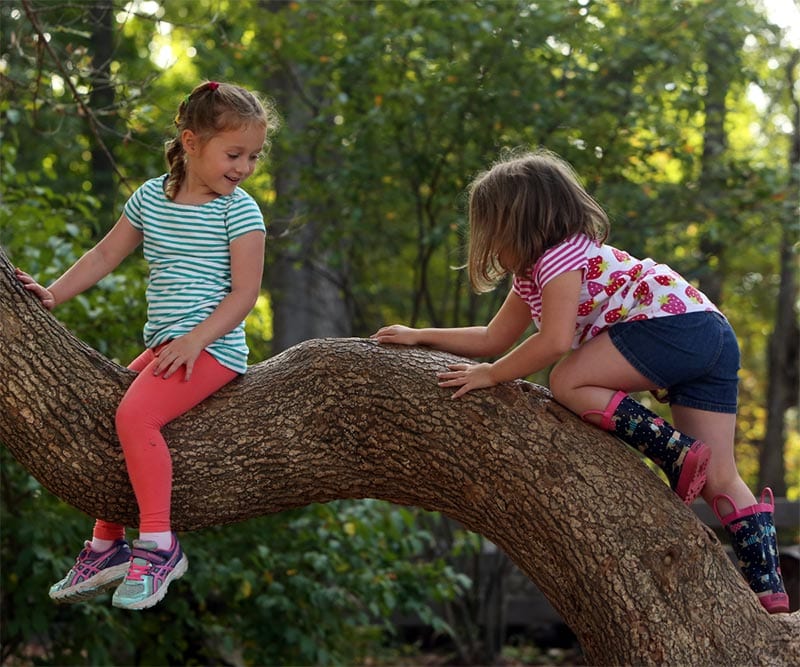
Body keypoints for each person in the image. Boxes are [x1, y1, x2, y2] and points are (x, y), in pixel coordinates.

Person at [372, 148, 789, 614]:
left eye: (490, 229)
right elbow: (494, 336)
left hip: (673, 328)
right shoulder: (539, 271)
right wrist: (419, 336)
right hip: (708, 331)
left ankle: (675, 451)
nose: (488, 242)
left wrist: (492, 376)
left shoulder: (557, 260)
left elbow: (551, 343)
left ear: (517, 222)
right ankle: (768, 590)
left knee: (567, 378)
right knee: (721, 476)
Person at [15, 81, 279, 611]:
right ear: (190, 142)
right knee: (114, 411)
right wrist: (52, 294)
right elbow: (104, 255)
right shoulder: (150, 200)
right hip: (169, 346)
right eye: (234, 154)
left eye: (253, 156)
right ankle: (107, 542)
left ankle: (159, 545)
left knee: (135, 418)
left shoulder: (240, 211)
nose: (245, 167)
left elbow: (245, 294)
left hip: (214, 348)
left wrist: (196, 340)